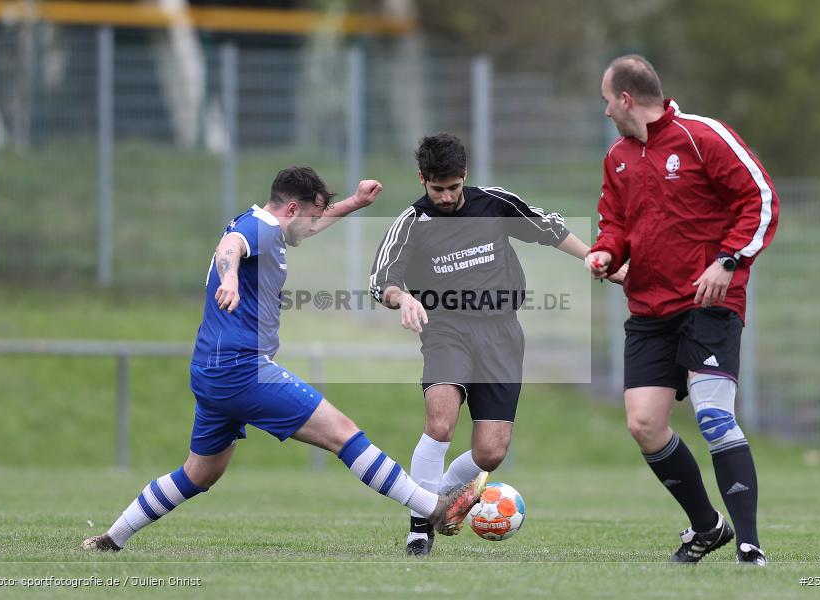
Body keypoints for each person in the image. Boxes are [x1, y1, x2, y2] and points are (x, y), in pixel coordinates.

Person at [82, 167, 487, 553]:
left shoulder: (267, 223)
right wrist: (229, 279)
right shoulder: (257, 228)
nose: (313, 226)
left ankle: (112, 537)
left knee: (199, 473)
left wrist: (353, 203)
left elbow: (299, 227)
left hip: (211, 370)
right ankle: (434, 508)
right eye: (310, 216)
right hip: (243, 369)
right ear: (292, 209)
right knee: (343, 434)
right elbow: (230, 247)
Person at [369, 133, 626, 556]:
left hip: (501, 333)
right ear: (422, 180)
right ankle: (421, 526)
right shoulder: (411, 223)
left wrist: (592, 258)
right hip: (446, 328)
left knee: (490, 453)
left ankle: (446, 498)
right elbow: (381, 280)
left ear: (465, 176)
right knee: (440, 423)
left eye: (454, 187)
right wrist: (405, 298)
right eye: (438, 189)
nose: (448, 196)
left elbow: (549, 229)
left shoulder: (494, 203)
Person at [586, 55, 779, 565]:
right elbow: (615, 223)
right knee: (644, 425)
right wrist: (607, 252)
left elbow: (759, 199)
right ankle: (707, 526)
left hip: (707, 302)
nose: (605, 111)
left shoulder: (702, 136)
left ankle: (748, 542)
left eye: (607, 100)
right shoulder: (618, 157)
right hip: (649, 309)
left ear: (626, 98)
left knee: (714, 416)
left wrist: (729, 260)